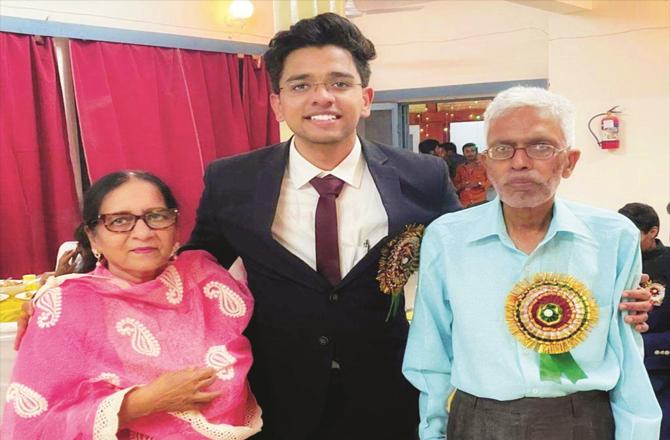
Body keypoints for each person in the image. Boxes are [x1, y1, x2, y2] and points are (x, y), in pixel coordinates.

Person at [183, 12, 462, 440]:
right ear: (278, 102)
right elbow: (196, 269)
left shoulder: (422, 176)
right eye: (301, 85)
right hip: (274, 394)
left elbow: (464, 264)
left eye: (339, 83)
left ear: (365, 97)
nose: (322, 97)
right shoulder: (232, 181)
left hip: (390, 391)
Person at [403, 86, 661, 439]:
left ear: (569, 161)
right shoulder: (447, 238)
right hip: (478, 419)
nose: (520, 161)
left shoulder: (613, 237)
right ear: (486, 163)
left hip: (581, 419)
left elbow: (627, 353)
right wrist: (432, 430)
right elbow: (431, 350)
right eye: (503, 148)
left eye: (540, 146)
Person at [3, 171, 261, 439]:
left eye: (157, 216)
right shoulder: (64, 308)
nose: (143, 232)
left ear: (175, 227)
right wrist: (145, 402)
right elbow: (31, 424)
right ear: (93, 237)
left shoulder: (204, 275)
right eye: (120, 221)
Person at [619, 202, 670, 438]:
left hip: (659, 369)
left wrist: (644, 347)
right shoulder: (613, 262)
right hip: (616, 369)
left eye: (633, 233)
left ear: (653, 231)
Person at [452, 142, 491, 207]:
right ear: (463, 153)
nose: (470, 154)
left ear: (476, 152)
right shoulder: (460, 168)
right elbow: (455, 186)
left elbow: (490, 182)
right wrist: (463, 185)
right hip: (464, 203)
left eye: (472, 151)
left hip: (480, 202)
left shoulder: (484, 166)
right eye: (467, 151)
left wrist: (479, 183)